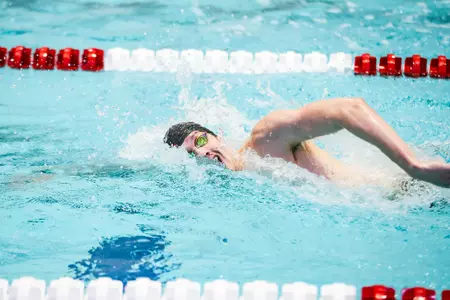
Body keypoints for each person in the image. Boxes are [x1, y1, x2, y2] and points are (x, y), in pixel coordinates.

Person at [164, 97, 450, 188]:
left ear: (219, 134)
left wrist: (414, 165)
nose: (202, 152)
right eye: (191, 154)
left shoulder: (265, 141)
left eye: (200, 139)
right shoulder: (249, 180)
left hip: (415, 190)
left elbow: (349, 109)